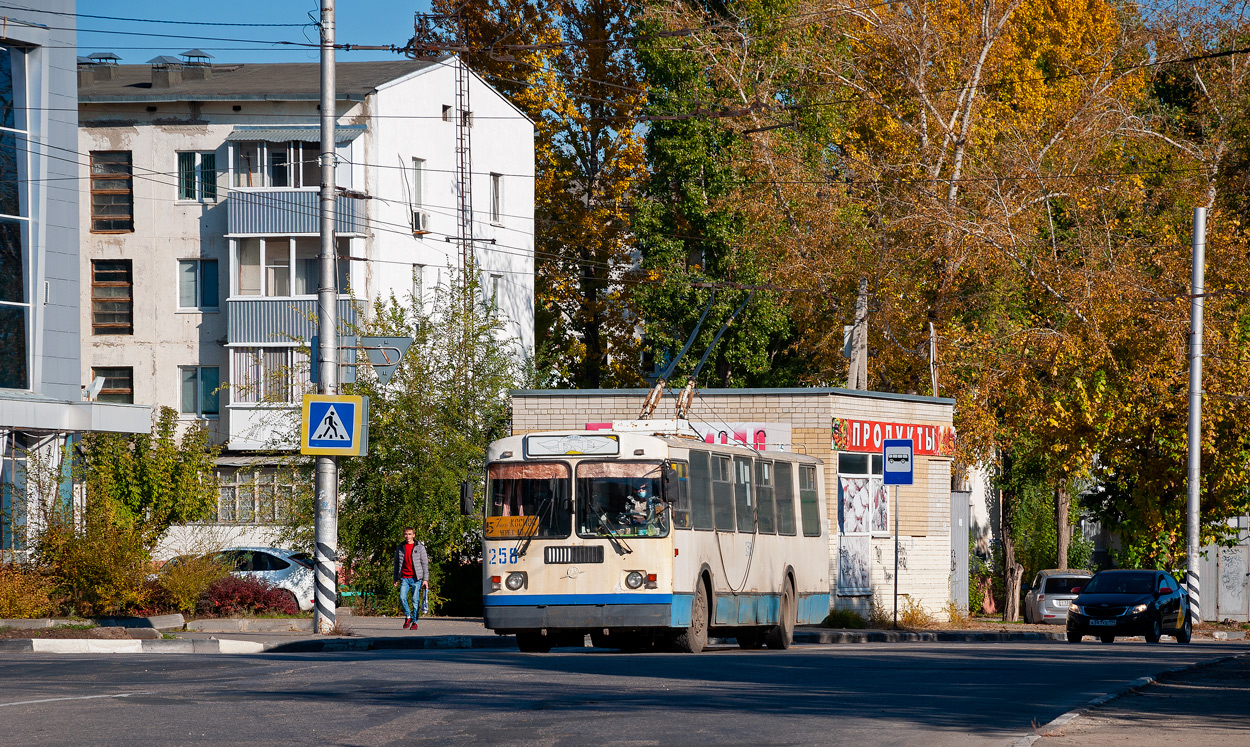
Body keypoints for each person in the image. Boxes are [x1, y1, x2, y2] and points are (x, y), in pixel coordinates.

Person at [392, 527, 428, 630]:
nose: (407, 536)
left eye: (409, 534)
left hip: (416, 578)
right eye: (406, 534)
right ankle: (408, 616)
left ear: (413, 535)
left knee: (415, 600)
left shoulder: (419, 547)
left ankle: (415, 622)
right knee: (402, 597)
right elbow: (397, 563)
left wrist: (425, 579)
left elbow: (425, 564)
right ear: (403, 535)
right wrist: (395, 578)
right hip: (404, 577)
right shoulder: (401, 547)